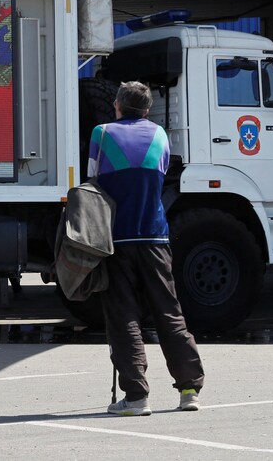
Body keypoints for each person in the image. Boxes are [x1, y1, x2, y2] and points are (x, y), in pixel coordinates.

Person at [88, 81, 205, 416]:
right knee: (169, 312)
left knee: (123, 316)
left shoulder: (102, 133)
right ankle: (189, 390)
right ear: (147, 108)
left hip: (117, 237)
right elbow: (159, 174)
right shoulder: (160, 135)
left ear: (118, 105)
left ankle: (136, 397)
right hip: (155, 236)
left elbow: (93, 182)